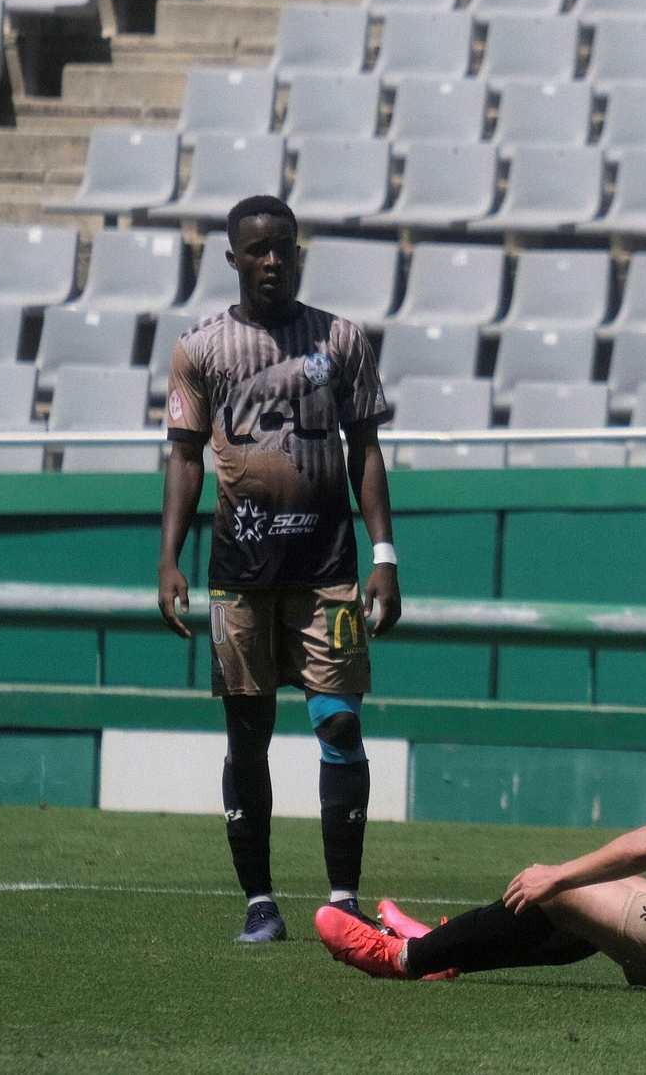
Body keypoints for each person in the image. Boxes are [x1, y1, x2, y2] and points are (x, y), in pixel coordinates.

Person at [314, 581, 646, 1001]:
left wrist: (557, 874)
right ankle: (441, 946)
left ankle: (404, 959)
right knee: (603, 902)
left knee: (567, 891)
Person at [156, 194, 401, 944]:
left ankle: (344, 898)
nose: (271, 260)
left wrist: (384, 555)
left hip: (330, 567)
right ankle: (260, 901)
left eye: (283, 247)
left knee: (339, 722)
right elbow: (186, 457)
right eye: (256, 249)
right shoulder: (200, 350)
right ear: (232, 258)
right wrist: (168, 556)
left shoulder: (343, 340)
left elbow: (365, 449)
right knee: (247, 732)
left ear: (298, 251)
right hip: (239, 572)